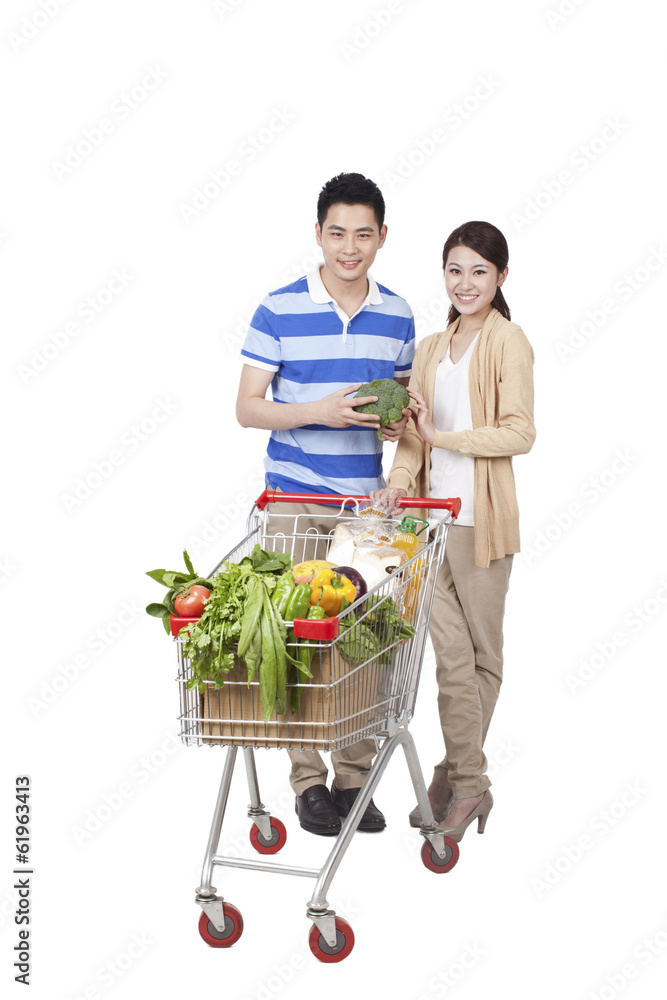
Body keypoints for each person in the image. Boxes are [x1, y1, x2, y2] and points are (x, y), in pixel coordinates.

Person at [236, 172, 415, 836]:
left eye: (362, 234)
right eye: (336, 232)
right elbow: (247, 407)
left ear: (381, 238)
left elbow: (394, 412)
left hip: (363, 507)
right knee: (294, 642)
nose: (349, 247)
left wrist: (395, 425)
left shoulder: (397, 315)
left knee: (365, 643)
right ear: (318, 234)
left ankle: (354, 783)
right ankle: (308, 784)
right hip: (291, 499)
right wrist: (318, 412)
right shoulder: (279, 308)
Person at [371, 220, 535, 842]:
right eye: (455, 270)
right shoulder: (432, 347)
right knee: (448, 658)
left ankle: (455, 774)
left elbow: (521, 432)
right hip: (428, 527)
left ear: (500, 278)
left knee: (480, 658)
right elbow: (413, 432)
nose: (465, 283)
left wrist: (448, 439)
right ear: (444, 274)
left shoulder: (508, 341)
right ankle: (471, 783)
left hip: (480, 523)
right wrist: (400, 476)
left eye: (479, 272)